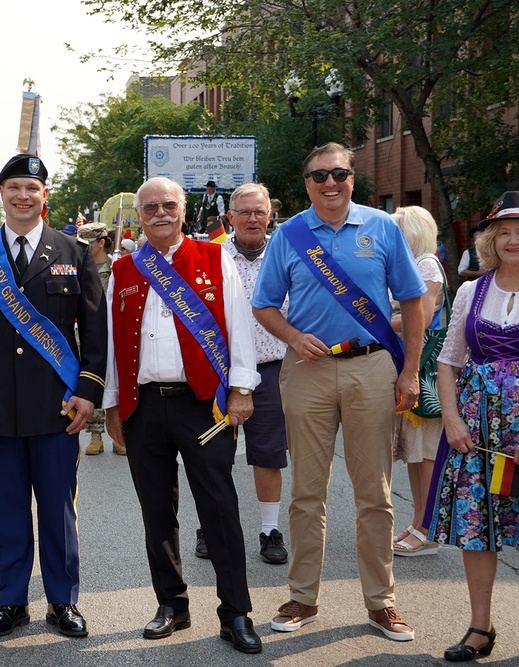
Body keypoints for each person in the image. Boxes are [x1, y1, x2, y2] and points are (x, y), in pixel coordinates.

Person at [252, 142, 426, 641]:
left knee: (374, 492)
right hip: (307, 370)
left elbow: (413, 301)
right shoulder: (289, 234)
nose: (330, 183)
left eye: (340, 173)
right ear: (306, 184)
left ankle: (381, 602)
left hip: (371, 368)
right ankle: (303, 597)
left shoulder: (382, 227)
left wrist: (409, 370)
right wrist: (291, 336)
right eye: (319, 176)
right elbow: (265, 304)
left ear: (353, 178)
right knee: (308, 492)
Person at [0, 154, 106, 639]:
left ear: (44, 196)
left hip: (57, 403)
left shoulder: (73, 252)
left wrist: (88, 391)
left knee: (58, 508)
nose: (22, 196)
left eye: (32, 189)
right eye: (14, 187)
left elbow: (95, 330)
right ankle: (11, 601)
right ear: (2, 194)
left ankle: (63, 601)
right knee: (7, 509)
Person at [103, 176, 261, 653]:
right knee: (157, 512)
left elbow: (239, 325)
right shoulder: (125, 269)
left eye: (168, 204)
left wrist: (241, 390)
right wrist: (113, 404)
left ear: (183, 208)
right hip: (143, 406)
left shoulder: (214, 259)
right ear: (139, 215)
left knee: (220, 509)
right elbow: (112, 344)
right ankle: (171, 605)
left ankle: (235, 613)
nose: (159, 213)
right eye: (149, 207)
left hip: (204, 405)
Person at [428, 192, 519, 665]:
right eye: (505, 232)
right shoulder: (470, 290)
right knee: (477, 527)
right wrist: (453, 419)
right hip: (476, 430)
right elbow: (448, 362)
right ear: (491, 241)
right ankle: (480, 627)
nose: (514, 240)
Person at [206, 182, 290, 566]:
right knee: (211, 455)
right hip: (221, 373)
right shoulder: (211, 257)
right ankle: (211, 526)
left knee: (268, 454)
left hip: (274, 369)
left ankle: (269, 529)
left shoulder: (288, 254)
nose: (253, 218)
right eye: (245, 212)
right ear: (230, 218)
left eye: (260, 211)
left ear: (270, 214)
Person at [391, 206, 447, 557]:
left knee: (425, 452)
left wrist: (377, 318)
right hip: (417, 367)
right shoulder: (418, 264)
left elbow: (421, 319)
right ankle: (419, 521)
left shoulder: (426, 265)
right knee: (415, 452)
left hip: (426, 370)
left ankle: (428, 529)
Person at [78, 221, 121, 456]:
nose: (82, 246)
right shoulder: (77, 267)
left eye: (88, 242)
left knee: (116, 380)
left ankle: (118, 434)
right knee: (91, 379)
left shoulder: (118, 267)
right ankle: (95, 434)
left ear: (102, 243)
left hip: (114, 332)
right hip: (87, 333)